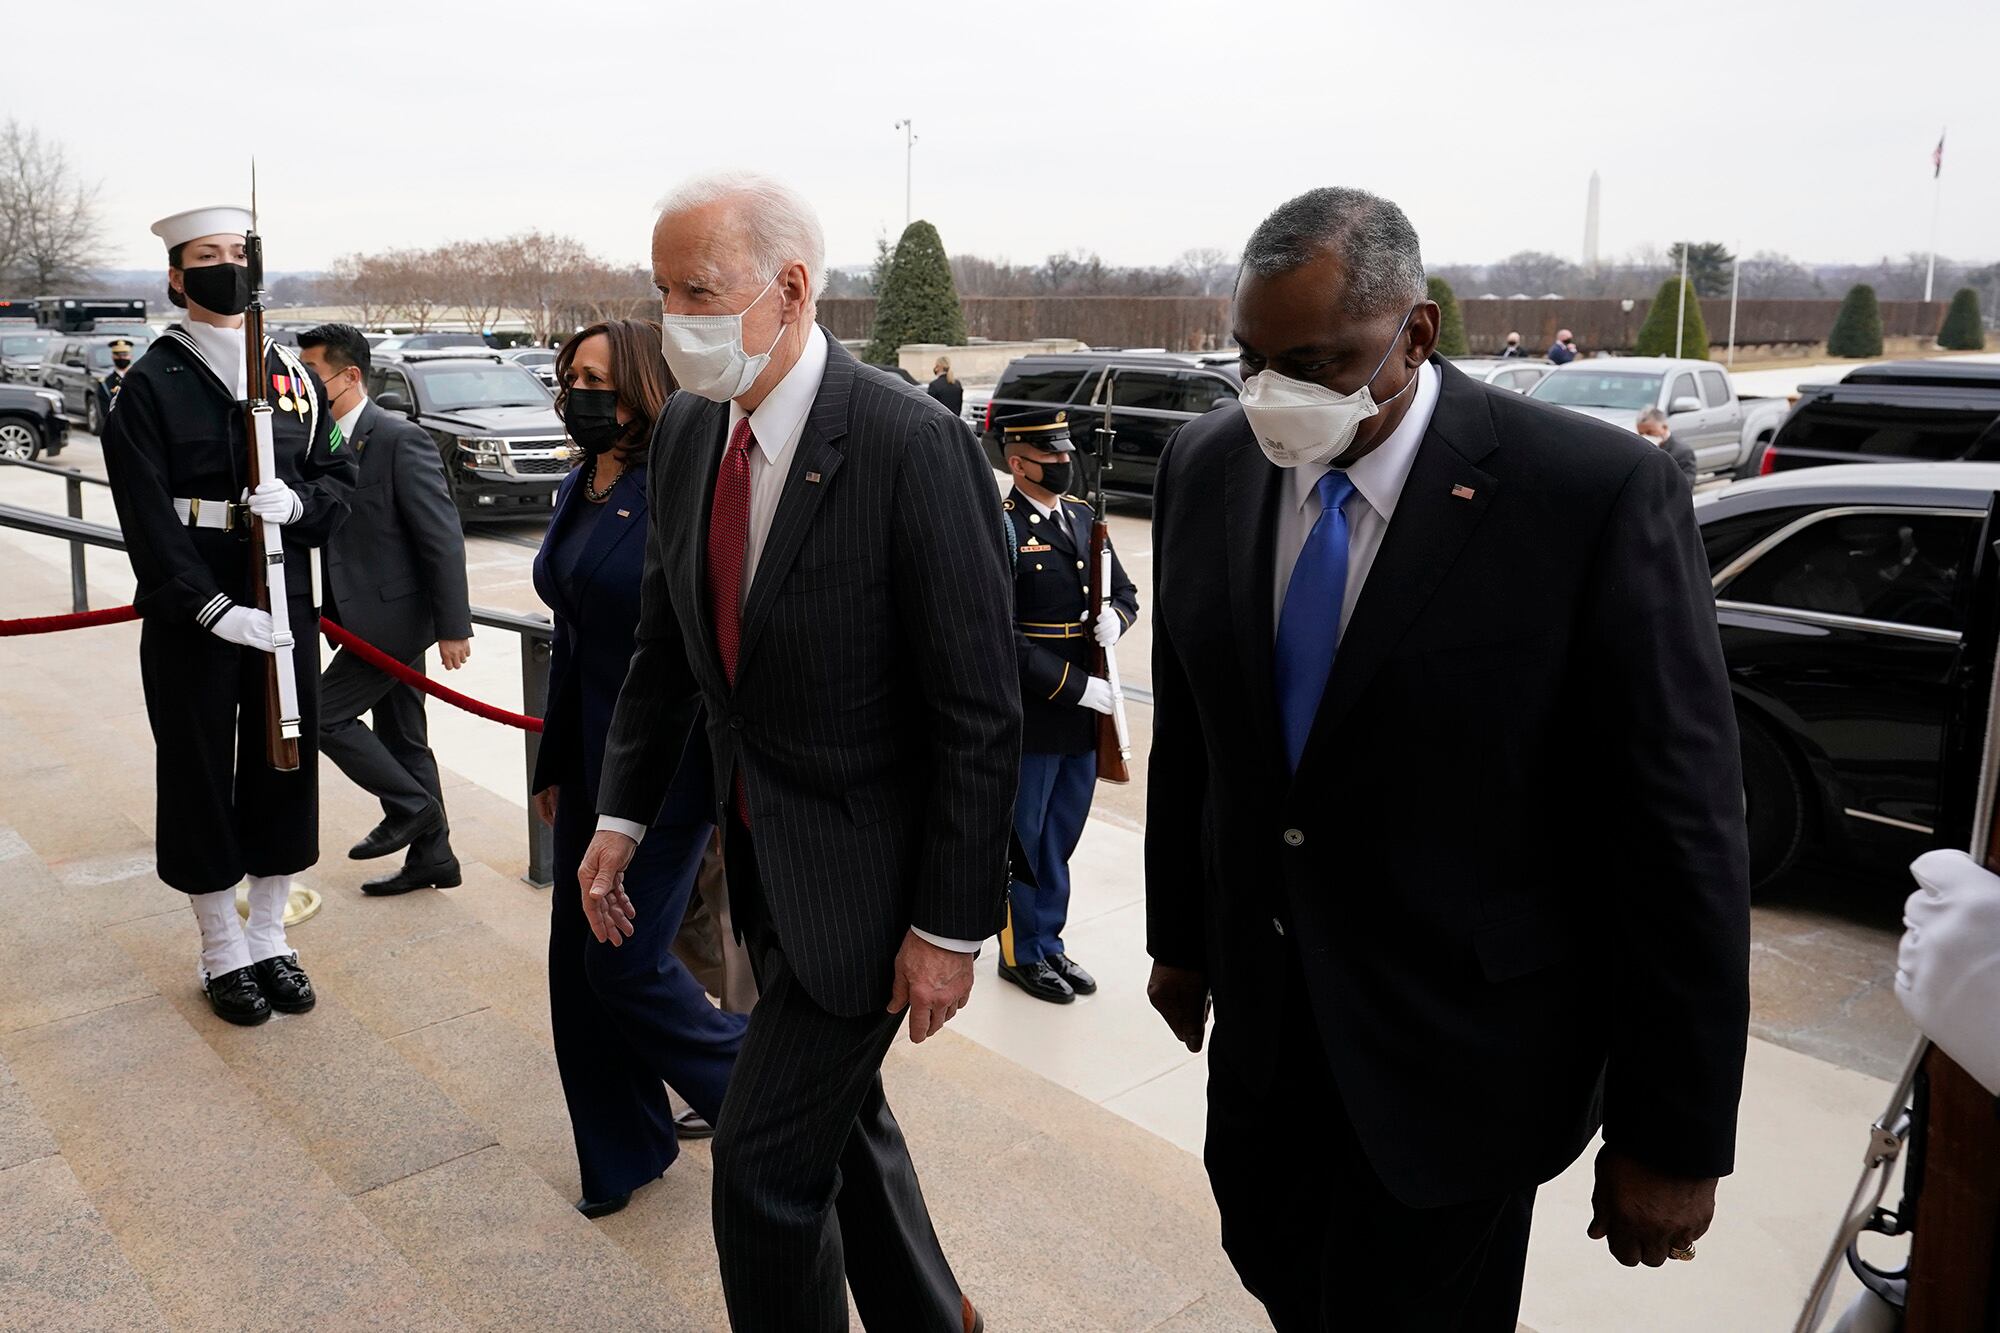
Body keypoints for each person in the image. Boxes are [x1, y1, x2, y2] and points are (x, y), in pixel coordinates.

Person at [1145, 187, 1751, 1330]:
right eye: (1251, 359)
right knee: (1289, 1283)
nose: (1273, 394)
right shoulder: (1206, 468)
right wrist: (1180, 939)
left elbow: (1678, 831)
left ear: (1413, 336)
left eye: (1317, 362)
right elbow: (1196, 732)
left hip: (1461, 1067)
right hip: (1270, 1049)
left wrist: (1670, 1130)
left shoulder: (1587, 496)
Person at [582, 172, 1017, 1333]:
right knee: (842, 1116)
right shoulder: (685, 430)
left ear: (788, 289)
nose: (675, 319)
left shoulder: (909, 446)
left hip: (873, 889)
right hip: (763, 865)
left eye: (700, 290)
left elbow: (979, 713)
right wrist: (619, 819)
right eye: (661, 289)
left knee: (766, 1171)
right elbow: (666, 648)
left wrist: (949, 926)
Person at [100, 205, 355, 1025]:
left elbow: (339, 483)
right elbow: (146, 517)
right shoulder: (149, 382)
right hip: (196, 603)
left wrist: (301, 503)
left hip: (282, 596)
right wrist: (210, 610)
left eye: (237, 253)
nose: (226, 267)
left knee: (285, 761)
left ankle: (272, 933)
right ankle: (220, 944)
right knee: (201, 768)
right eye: (206, 256)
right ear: (176, 276)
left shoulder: (290, 374)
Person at [531, 317, 748, 1218]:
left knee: (621, 961)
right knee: (573, 968)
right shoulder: (584, 479)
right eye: (572, 377)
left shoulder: (678, 485)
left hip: (663, 769)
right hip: (586, 761)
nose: (583, 396)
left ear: (646, 389)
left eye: (602, 382)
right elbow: (572, 639)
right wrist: (551, 765)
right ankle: (625, 1151)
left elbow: (695, 653)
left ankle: (781, 1102)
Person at [297, 323, 472, 895]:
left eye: (313, 376)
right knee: (404, 739)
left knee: (321, 714)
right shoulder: (314, 442)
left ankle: (410, 806)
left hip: (394, 622)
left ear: (350, 376)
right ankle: (434, 858)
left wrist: (452, 626)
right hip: (351, 619)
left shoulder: (398, 438)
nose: (302, 387)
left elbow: (440, 536)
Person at [996, 407, 1137, 1003]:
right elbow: (1001, 634)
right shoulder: (1000, 525)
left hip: (1084, 714)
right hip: (1036, 711)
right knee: (1025, 841)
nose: (1063, 464)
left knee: (1061, 836)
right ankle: (1019, 953)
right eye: (1050, 457)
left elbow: (1127, 592)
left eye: (1065, 455)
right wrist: (1076, 687)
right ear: (1016, 462)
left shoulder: (1082, 518)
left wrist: (1116, 619)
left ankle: (1048, 940)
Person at [1636, 405, 1698, 488]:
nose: (1645, 437)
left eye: (1650, 432)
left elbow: (1686, 485)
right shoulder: (1641, 451)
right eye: (1641, 434)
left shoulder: (1682, 452)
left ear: (1664, 427)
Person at [96, 337, 136, 423]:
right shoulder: (106, 383)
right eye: (118, 355)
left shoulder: (138, 379)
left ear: (131, 356)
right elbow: (105, 411)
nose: (121, 358)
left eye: (125, 355)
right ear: (113, 357)